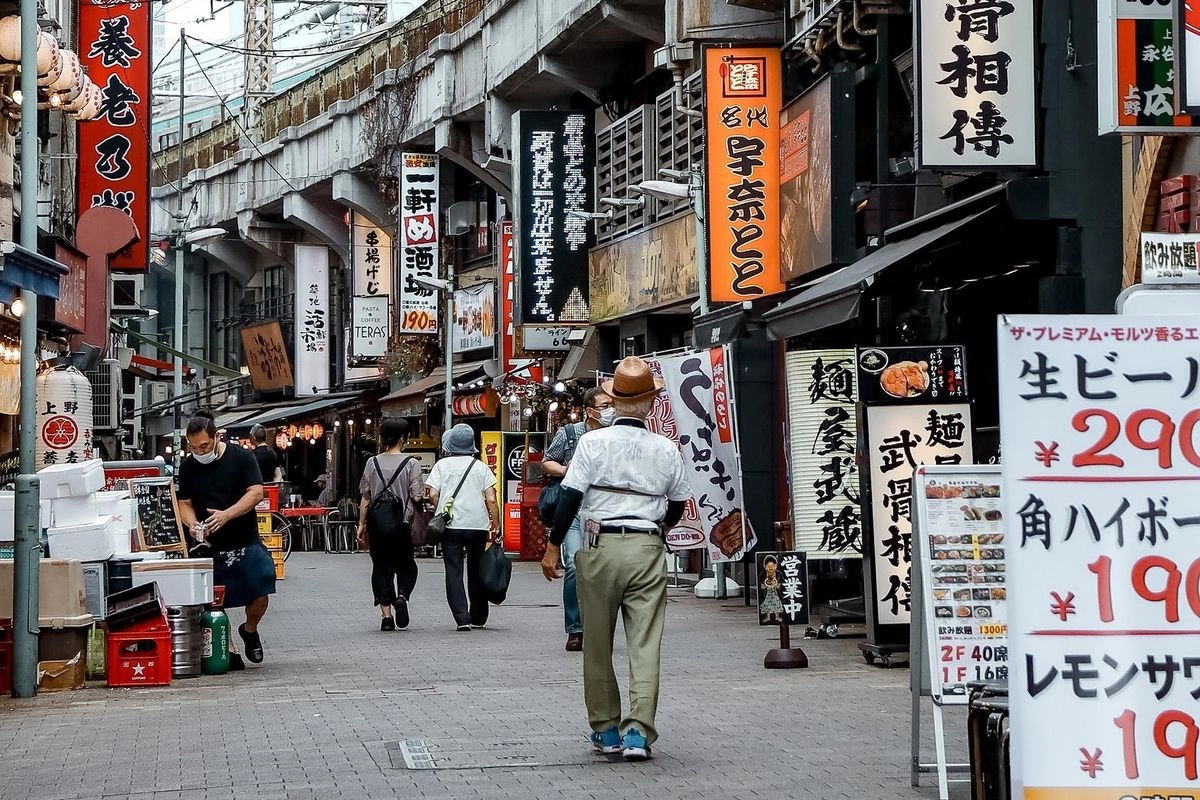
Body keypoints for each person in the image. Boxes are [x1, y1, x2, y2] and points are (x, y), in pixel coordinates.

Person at [542, 357, 689, 762]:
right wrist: (658, 528)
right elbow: (677, 504)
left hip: (599, 547)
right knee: (645, 643)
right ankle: (639, 733)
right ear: (651, 404)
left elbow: (570, 496)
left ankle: (606, 730)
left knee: (597, 644)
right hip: (646, 547)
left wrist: (554, 545)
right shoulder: (666, 448)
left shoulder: (591, 442)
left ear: (612, 401)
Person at [177, 411, 275, 669]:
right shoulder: (188, 466)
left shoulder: (242, 457)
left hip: (244, 538)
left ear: (217, 437)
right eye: (194, 447)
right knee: (211, 601)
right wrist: (192, 524)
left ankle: (250, 629)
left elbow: (256, 492)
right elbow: (184, 503)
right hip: (208, 544)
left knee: (261, 590)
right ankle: (226, 649)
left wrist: (227, 515)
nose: (199, 452)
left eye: (204, 446)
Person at [541, 387, 614, 652]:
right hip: (573, 511)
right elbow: (546, 462)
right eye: (605, 405)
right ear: (590, 410)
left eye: (612, 405)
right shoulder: (570, 434)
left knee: (603, 571)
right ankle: (576, 629)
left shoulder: (616, 435)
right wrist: (565, 470)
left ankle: (600, 626)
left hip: (605, 511)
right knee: (574, 565)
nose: (610, 410)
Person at [424, 423, 500, 632]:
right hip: (478, 525)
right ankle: (478, 615)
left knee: (454, 570)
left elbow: (431, 493)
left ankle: (461, 618)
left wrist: (441, 507)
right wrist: (497, 523)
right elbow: (491, 499)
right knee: (476, 569)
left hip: (451, 526)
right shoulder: (480, 466)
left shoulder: (442, 465)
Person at [357, 419, 425, 631]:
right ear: (403, 439)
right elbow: (416, 495)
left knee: (381, 568)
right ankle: (402, 596)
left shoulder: (372, 463)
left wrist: (361, 524)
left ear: (381, 439)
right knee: (406, 565)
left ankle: (386, 618)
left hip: (377, 525)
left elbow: (365, 498)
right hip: (402, 525)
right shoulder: (411, 463)